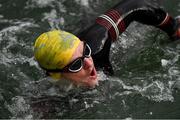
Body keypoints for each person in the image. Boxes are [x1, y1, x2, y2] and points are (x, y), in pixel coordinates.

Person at [34, 0, 180, 88]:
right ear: (55, 75)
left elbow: (136, 5)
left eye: (85, 51)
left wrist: (174, 29)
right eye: (76, 65)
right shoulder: (48, 98)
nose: (89, 64)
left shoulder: (96, 45)